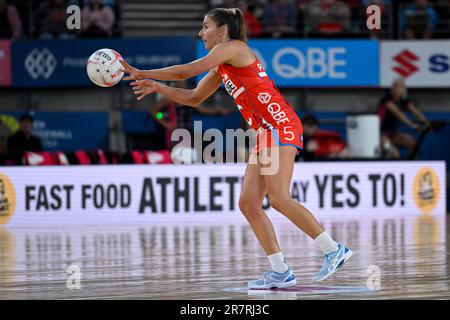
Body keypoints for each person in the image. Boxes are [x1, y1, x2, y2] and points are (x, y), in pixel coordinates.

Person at [119, 7, 352, 289]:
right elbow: (193, 97)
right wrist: (158, 88)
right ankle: (280, 271)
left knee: (278, 198)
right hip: (265, 132)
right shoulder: (222, 64)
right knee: (248, 203)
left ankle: (332, 249)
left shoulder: (234, 48)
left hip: (280, 126)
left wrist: (141, 71)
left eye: (205, 26)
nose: (201, 32)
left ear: (222, 30)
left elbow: (185, 71)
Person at [378, 77, 432, 159]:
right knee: (394, 154)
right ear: (392, 88)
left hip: (392, 135)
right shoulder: (386, 100)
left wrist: (427, 123)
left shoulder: (404, 101)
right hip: (380, 136)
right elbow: (398, 114)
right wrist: (412, 125)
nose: (397, 89)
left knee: (413, 144)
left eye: (400, 86)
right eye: (395, 86)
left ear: (404, 89)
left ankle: (411, 167)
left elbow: (415, 112)